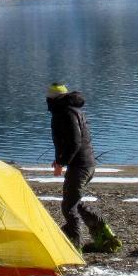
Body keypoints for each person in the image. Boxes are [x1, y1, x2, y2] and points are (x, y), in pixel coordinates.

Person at [46, 83, 121, 253]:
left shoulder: (64, 112)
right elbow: (71, 141)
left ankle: (74, 246)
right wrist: (60, 159)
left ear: (52, 99)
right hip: (86, 164)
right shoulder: (71, 110)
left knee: (69, 207)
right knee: (76, 203)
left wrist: (61, 162)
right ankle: (105, 237)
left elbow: (74, 141)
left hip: (80, 166)